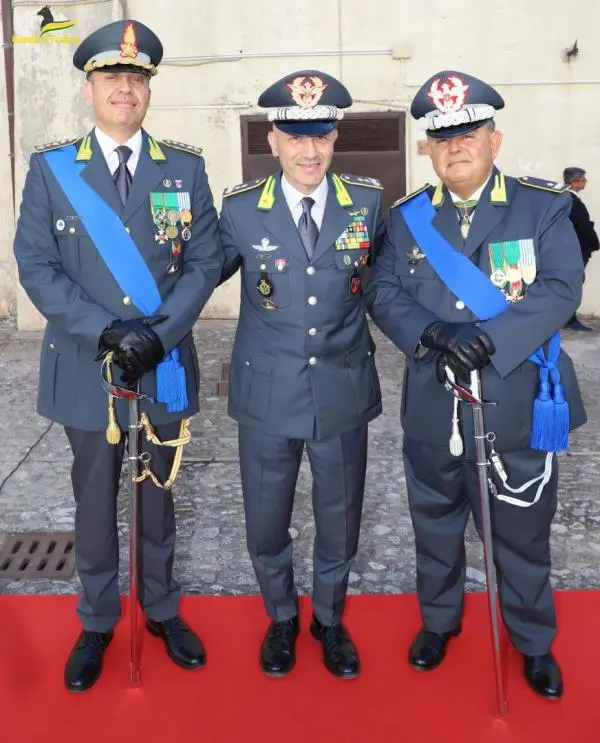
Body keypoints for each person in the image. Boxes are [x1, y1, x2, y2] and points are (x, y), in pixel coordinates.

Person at [13, 19, 223, 691]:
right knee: (95, 495)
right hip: (87, 362)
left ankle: (160, 607)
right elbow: (35, 264)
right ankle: (99, 617)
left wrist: (158, 333)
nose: (124, 89)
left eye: (136, 78)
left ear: (148, 90)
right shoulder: (52, 170)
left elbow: (205, 261)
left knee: (158, 492)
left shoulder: (183, 168)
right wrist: (106, 330)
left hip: (161, 359)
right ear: (90, 89)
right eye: (112, 77)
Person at [365, 70, 586, 699]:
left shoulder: (543, 207)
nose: (455, 146)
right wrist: (434, 332)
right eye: (442, 138)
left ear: (494, 139)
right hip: (435, 401)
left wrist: (491, 339)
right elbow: (382, 291)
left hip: (514, 398)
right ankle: (439, 622)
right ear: (428, 149)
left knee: (521, 532)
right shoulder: (407, 218)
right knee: (434, 523)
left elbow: (560, 289)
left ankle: (533, 641)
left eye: (468, 133)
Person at [218, 70, 383, 679]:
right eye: (295, 136)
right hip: (267, 394)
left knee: (340, 516)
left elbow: (391, 281)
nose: (309, 151)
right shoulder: (241, 209)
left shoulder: (367, 202)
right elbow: (194, 272)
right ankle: (282, 616)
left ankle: (330, 620)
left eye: (321, 136)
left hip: (341, 389)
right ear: (273, 140)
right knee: (266, 518)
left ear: (335, 137)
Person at [562, 166, 599, 331]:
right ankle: (569, 320)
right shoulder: (573, 202)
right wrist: (595, 243)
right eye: (583, 179)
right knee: (574, 283)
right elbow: (584, 227)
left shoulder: (563, 198)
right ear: (574, 182)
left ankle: (566, 318)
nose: (586, 182)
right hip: (577, 250)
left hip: (569, 249)